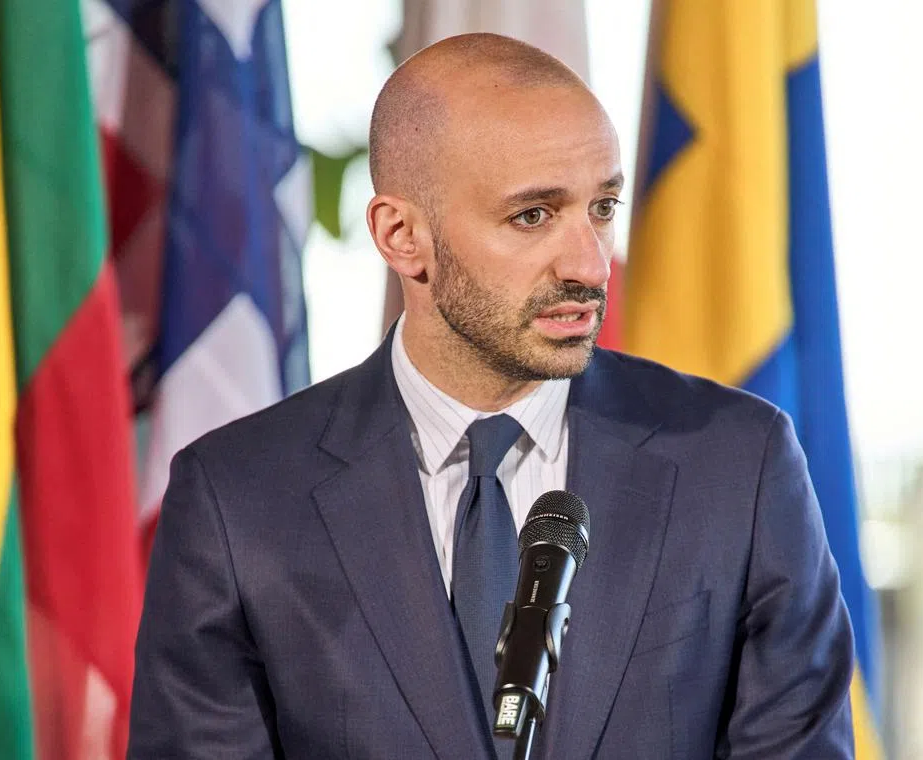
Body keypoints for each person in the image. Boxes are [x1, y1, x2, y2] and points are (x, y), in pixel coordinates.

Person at [128, 32, 854, 759]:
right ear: (401, 234)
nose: (589, 264)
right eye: (533, 216)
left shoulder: (738, 464)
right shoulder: (236, 499)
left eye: (602, 207)